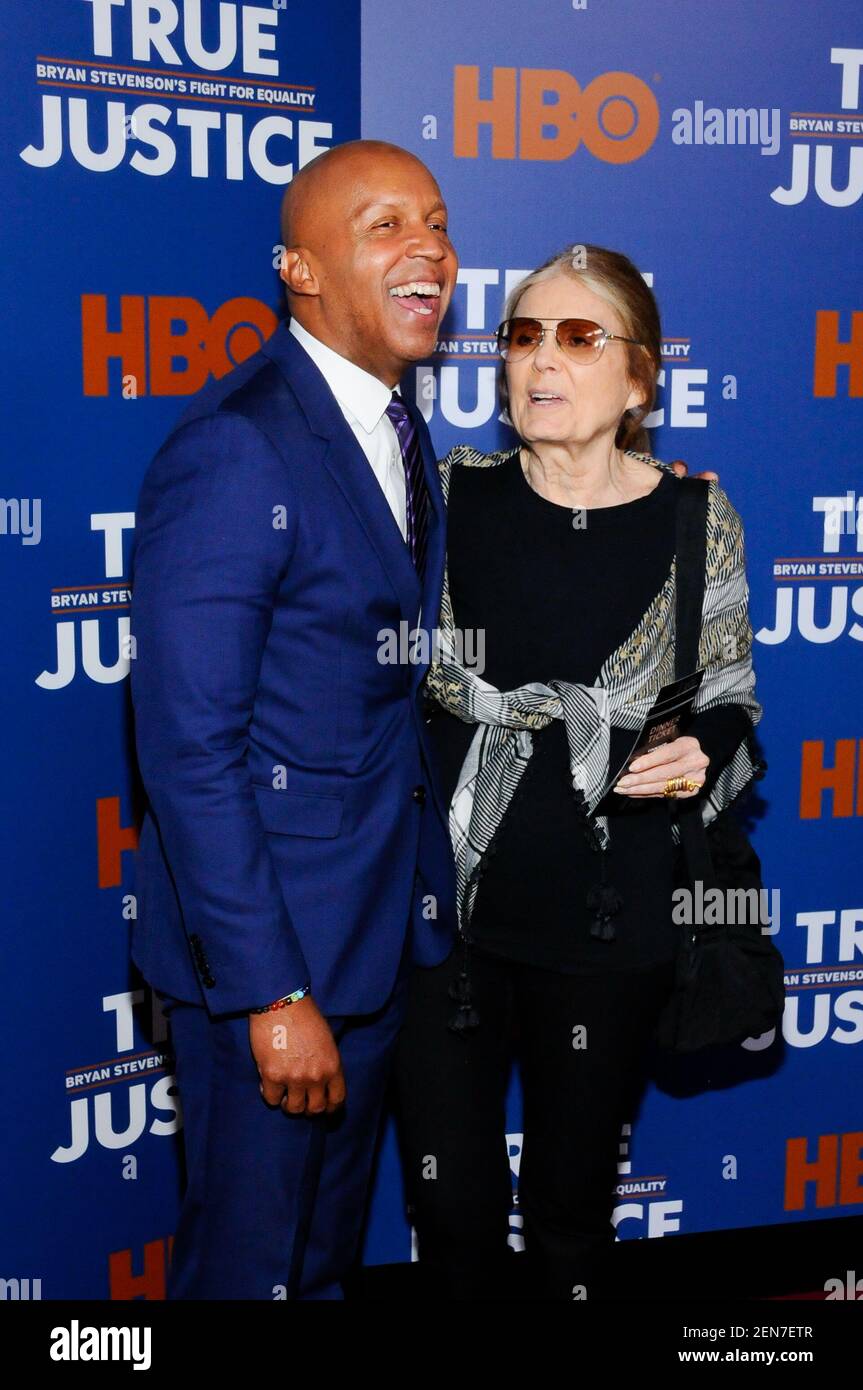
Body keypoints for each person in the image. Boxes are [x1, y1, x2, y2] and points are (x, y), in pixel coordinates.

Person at [393, 244, 764, 1301]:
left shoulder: (697, 521)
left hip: (609, 931)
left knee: (568, 1223)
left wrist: (705, 752)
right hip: (444, 924)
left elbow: (732, 701)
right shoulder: (446, 499)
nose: (539, 361)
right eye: (520, 335)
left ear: (639, 380)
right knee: (449, 1214)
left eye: (576, 336)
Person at [129, 139, 459, 1299]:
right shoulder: (237, 445)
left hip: (367, 947)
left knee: (313, 1269)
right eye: (383, 226)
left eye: (434, 222)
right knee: (250, 1274)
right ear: (300, 271)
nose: (426, 247)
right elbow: (189, 750)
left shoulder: (400, 438)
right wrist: (273, 995)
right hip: (268, 973)